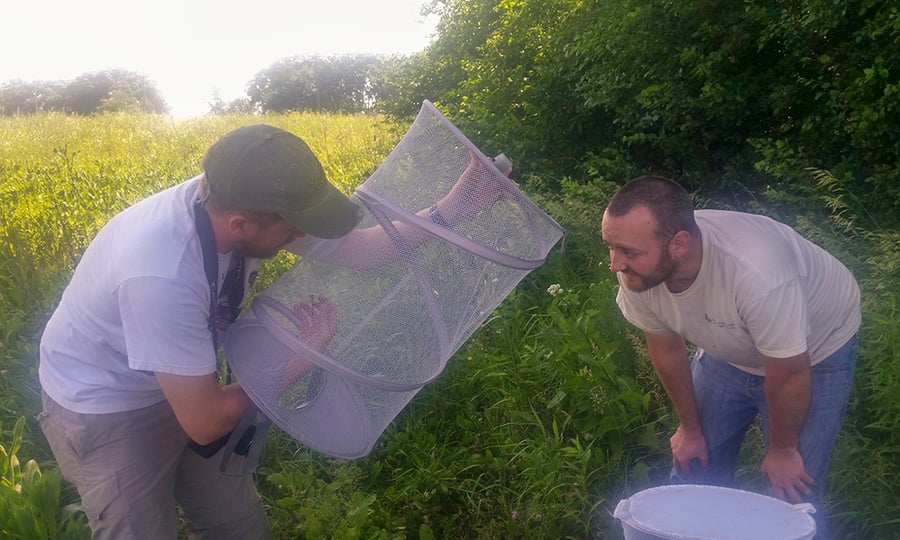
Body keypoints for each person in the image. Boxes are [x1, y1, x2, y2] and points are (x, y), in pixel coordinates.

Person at [37, 123, 506, 539]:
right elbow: (206, 421)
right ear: (240, 224)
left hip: (186, 384)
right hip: (108, 409)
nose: (299, 237)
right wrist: (299, 358)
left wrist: (455, 207)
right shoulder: (162, 276)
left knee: (238, 528)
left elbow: (365, 251)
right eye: (292, 230)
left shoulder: (250, 202)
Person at [600, 176, 860, 539]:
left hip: (815, 351)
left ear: (679, 244)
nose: (615, 264)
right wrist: (690, 429)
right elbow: (666, 348)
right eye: (610, 247)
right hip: (730, 348)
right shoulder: (639, 273)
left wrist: (782, 451)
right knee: (692, 466)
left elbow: (789, 373)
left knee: (791, 493)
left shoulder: (758, 273)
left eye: (628, 252)